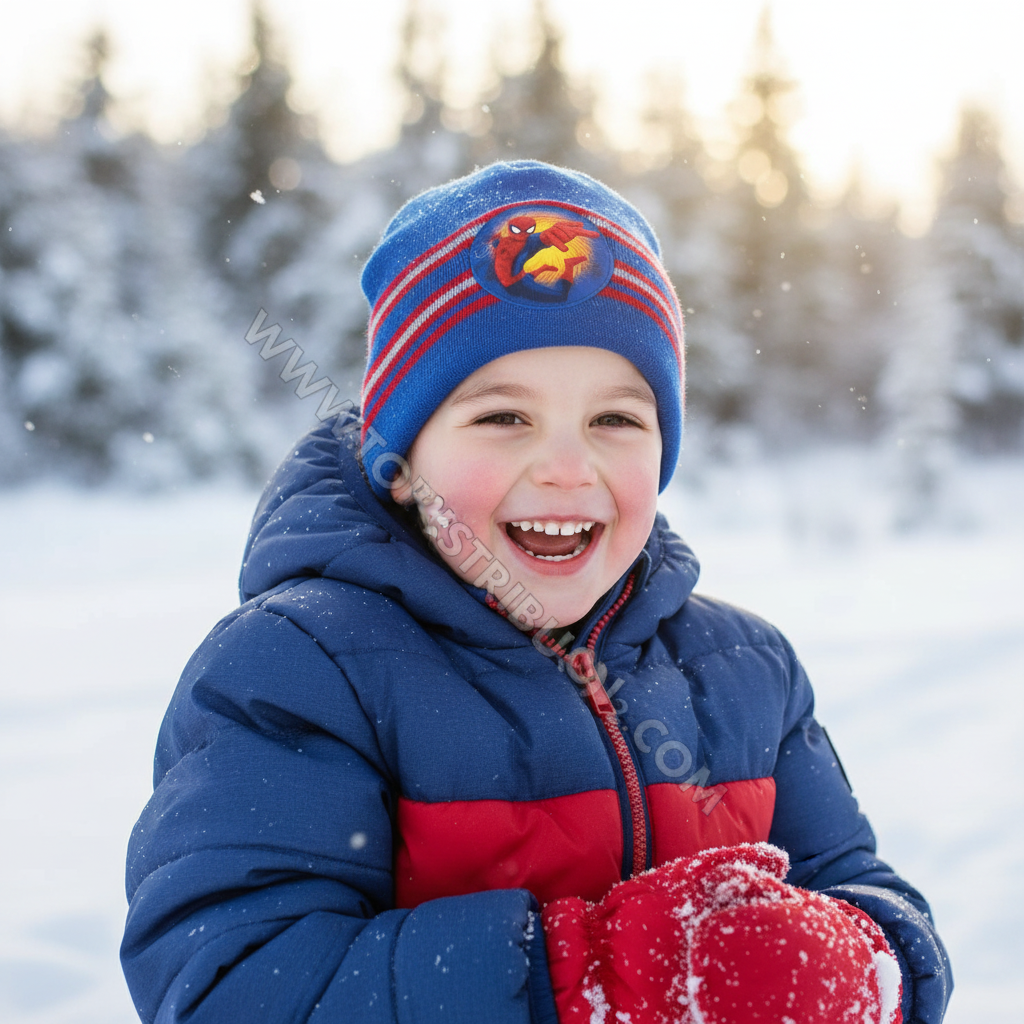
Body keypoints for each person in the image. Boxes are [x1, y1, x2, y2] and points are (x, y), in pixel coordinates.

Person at [121, 161, 952, 1024]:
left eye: (615, 420)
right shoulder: (300, 669)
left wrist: (865, 960)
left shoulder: (748, 672)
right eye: (502, 417)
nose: (566, 466)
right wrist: (592, 977)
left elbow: (867, 898)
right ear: (400, 464)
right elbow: (233, 980)